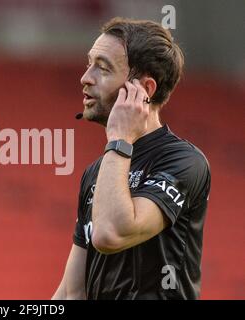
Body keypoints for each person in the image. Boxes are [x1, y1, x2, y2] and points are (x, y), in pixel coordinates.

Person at [52, 17, 211, 300]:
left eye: (102, 68)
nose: (85, 77)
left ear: (144, 90)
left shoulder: (184, 161)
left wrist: (120, 139)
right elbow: (70, 292)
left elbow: (110, 234)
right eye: (89, 63)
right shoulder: (96, 172)